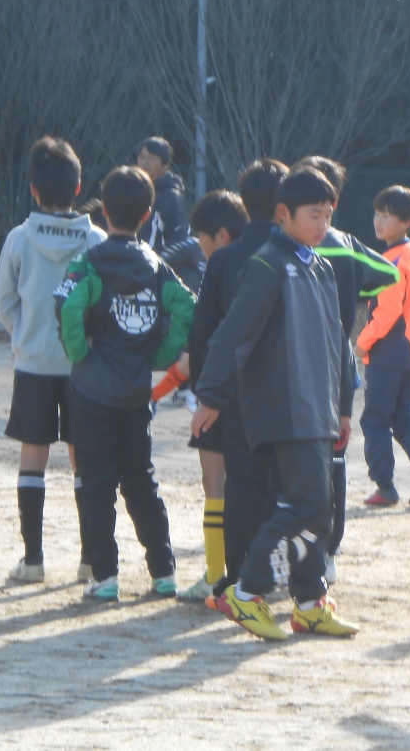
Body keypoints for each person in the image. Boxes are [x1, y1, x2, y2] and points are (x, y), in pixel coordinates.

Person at [191, 167, 358, 640]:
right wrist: (210, 397)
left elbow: (338, 343)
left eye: (328, 216)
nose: (323, 225)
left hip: (318, 410)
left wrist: (344, 405)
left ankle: (309, 603)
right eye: (314, 215)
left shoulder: (320, 266)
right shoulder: (266, 265)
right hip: (284, 409)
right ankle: (246, 592)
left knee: (318, 508)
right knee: (306, 504)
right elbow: (232, 334)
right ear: (283, 214)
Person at [54, 165, 195, 601]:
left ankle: (105, 577)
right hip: (136, 394)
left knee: (97, 485)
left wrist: (79, 353)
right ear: (147, 214)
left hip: (92, 392)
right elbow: (188, 308)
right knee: (141, 482)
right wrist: (160, 355)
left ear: (104, 210)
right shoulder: (157, 266)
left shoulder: (89, 263)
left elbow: (67, 306)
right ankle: (164, 573)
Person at [0, 136, 106, 583]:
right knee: (85, 461)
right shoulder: (96, 240)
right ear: (78, 187)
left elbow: (6, 302)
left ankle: (33, 561)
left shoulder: (19, 239)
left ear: (33, 189)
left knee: (33, 457)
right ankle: (90, 560)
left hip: (34, 364)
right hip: (84, 367)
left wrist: (26, 337)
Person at [187, 159, 290, 607]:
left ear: (244, 204)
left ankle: (236, 580)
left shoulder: (225, 259)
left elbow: (205, 332)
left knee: (237, 489)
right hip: (287, 392)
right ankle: (280, 572)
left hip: (232, 394)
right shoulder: (299, 256)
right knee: (282, 485)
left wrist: (204, 390)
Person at [297, 156, 401, 582]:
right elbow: (388, 274)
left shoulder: (286, 245)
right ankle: (329, 550)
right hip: (336, 361)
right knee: (334, 455)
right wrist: (352, 291)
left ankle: (289, 548)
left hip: (292, 363)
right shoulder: (345, 245)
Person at [171, 189, 249, 601]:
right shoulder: (273, 258)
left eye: (201, 239)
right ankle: (254, 572)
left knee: (214, 482)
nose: (199, 249)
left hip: (218, 393)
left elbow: (204, 333)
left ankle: (217, 574)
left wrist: (195, 380)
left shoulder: (220, 265)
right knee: (252, 484)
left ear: (220, 235)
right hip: (257, 394)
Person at [358, 185, 410, 508]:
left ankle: (385, 487)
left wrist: (362, 343)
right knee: (403, 416)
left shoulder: (391, 259)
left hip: (389, 354)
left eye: (386, 216)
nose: (378, 221)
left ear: (407, 222)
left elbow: (387, 312)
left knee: (375, 420)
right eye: (377, 214)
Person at [135, 135, 203, 409]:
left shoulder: (170, 196)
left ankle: (185, 388)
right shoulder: (143, 191)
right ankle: (179, 387)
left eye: (151, 158)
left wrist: (156, 264)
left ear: (165, 164)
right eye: (141, 156)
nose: (144, 162)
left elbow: (181, 242)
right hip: (148, 271)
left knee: (173, 331)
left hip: (166, 275)